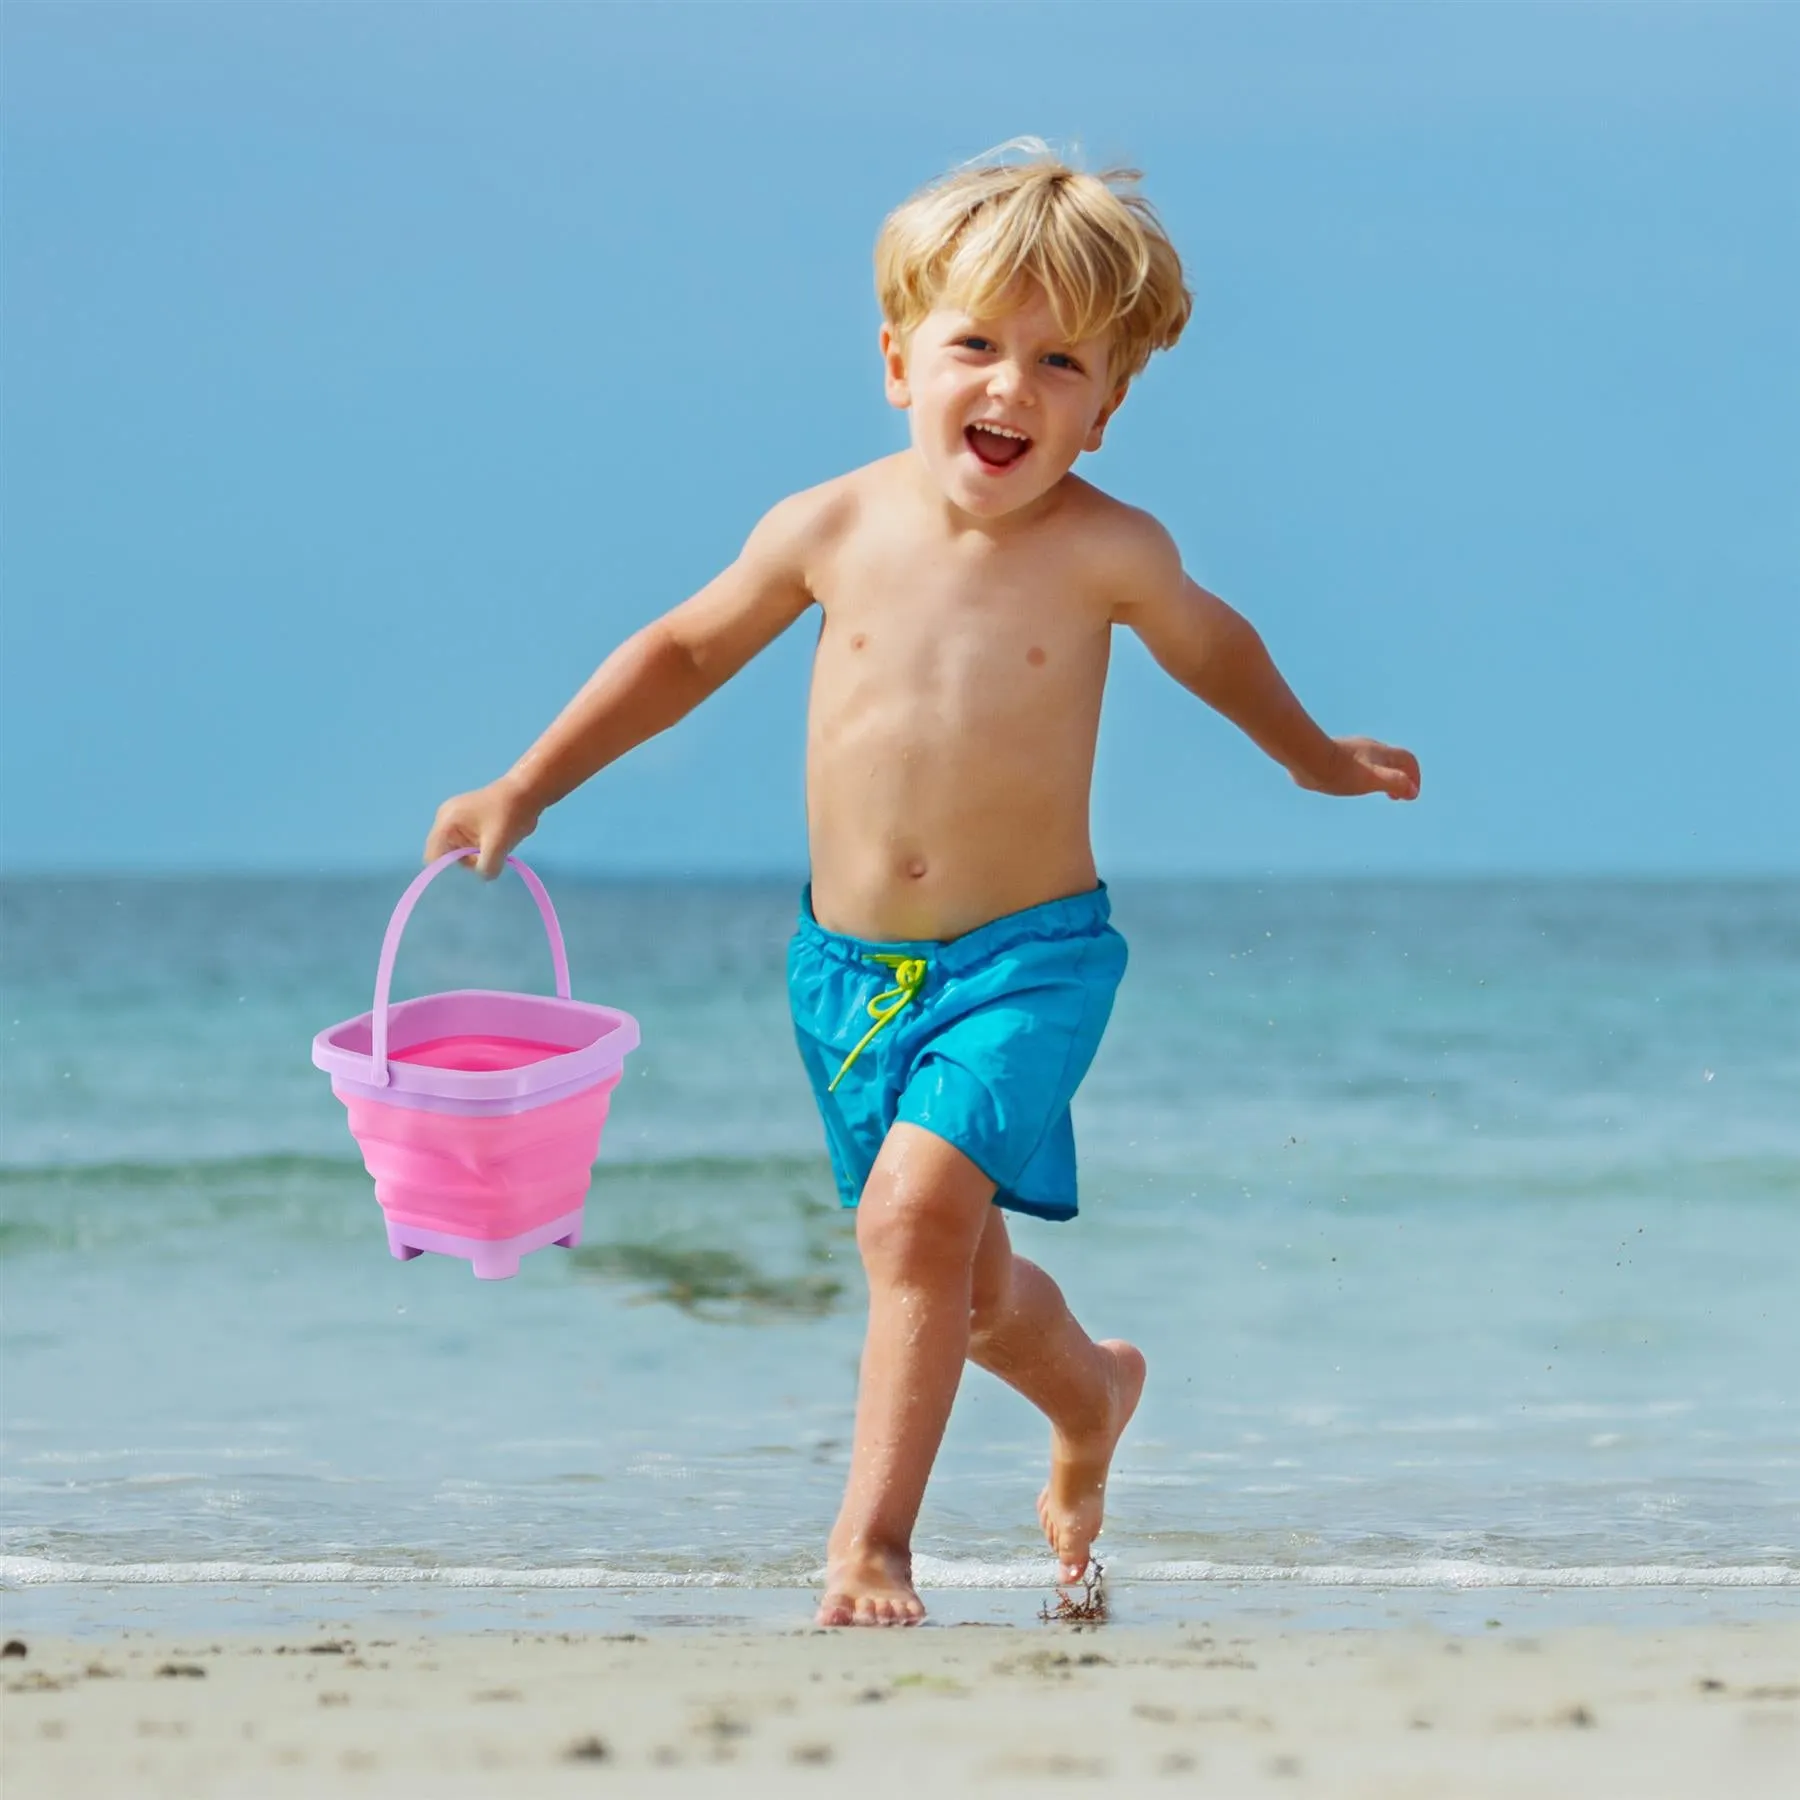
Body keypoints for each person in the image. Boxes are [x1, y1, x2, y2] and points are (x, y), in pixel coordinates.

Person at [424, 145, 1420, 1628]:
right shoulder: (830, 527)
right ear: (900, 361)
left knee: (907, 1223)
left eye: (1059, 361)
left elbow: (1215, 644)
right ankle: (1091, 1397)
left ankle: (870, 1548)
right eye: (976, 346)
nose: (1011, 389)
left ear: (1110, 403)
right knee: (958, 1288)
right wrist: (526, 784)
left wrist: (1313, 757)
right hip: (848, 973)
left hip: (1029, 961)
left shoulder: (1113, 553)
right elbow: (684, 654)